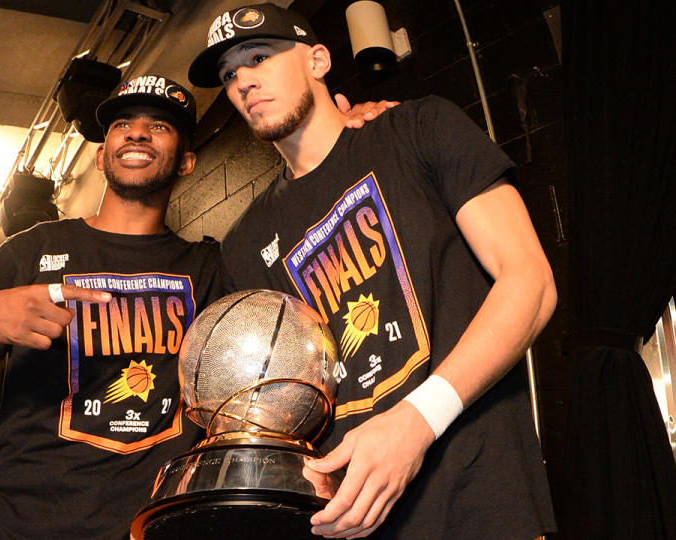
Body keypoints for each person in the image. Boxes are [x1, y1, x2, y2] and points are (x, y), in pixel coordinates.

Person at [188, 4, 557, 539]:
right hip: (356, 523)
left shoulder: (416, 127)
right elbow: (282, 405)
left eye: (259, 56)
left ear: (317, 59)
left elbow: (531, 282)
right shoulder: (245, 244)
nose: (242, 81)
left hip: (480, 503)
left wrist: (416, 423)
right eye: (228, 75)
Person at [0, 74, 226, 539]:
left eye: (159, 127)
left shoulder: (209, 267)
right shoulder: (31, 250)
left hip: (153, 528)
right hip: (29, 527)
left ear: (187, 162)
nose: (137, 132)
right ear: (102, 155)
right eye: (123, 124)